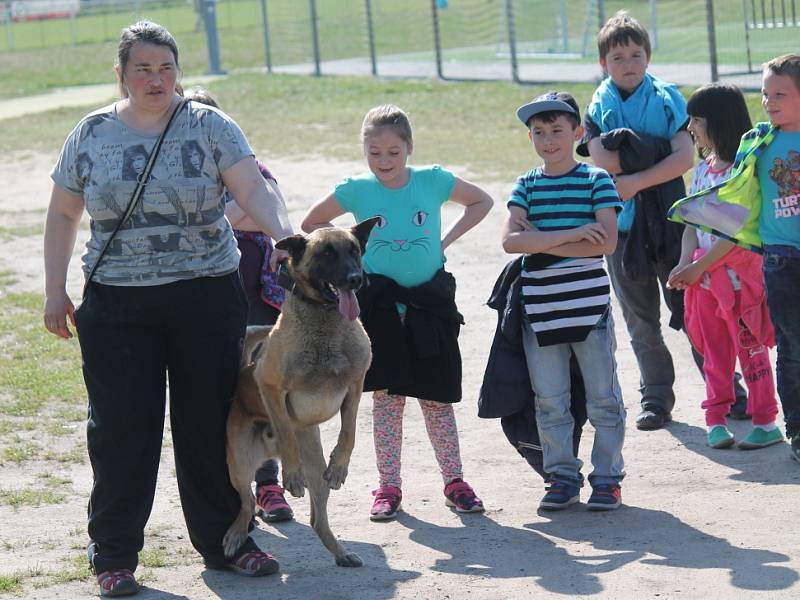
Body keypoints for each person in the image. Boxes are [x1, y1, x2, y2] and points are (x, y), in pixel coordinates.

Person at [43, 21, 294, 597]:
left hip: (204, 294)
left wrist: (283, 235)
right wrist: (55, 290)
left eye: (165, 68)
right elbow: (62, 215)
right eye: (143, 69)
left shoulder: (210, 125)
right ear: (121, 74)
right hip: (117, 303)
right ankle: (113, 554)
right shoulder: (91, 134)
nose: (156, 79)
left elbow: (254, 189)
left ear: (178, 72)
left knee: (209, 424)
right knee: (121, 432)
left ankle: (229, 539)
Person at [301, 104, 493, 521]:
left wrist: (444, 242)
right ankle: (388, 486)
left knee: (438, 399)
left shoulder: (433, 181)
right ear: (364, 151)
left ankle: (455, 481)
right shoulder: (355, 190)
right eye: (374, 152)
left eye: (393, 151)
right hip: (380, 308)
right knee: (387, 401)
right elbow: (311, 224)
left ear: (409, 147)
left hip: (430, 306)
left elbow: (482, 200)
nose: (384, 161)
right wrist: (347, 261)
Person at [580, 10, 747, 431]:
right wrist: (653, 157)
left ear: (648, 57)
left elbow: (684, 158)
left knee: (697, 311)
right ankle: (656, 397)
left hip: (673, 222)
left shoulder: (667, 97)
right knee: (640, 320)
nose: (629, 64)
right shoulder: (600, 103)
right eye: (618, 57)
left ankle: (729, 391)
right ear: (604, 64)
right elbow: (601, 157)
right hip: (624, 227)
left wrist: (635, 179)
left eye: (636, 55)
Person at [669, 54, 800, 463]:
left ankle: (768, 421)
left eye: (779, 93)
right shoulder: (734, 155)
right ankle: (745, 423)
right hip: (744, 270)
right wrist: (688, 259)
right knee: (749, 350)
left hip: (744, 277)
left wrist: (700, 264)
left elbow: (732, 222)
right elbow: (709, 213)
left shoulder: (755, 154)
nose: (769, 101)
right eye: (764, 93)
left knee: (764, 349)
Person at [503, 91, 625, 511]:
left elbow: (605, 243)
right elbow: (509, 242)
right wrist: (573, 235)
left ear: (578, 132)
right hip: (541, 311)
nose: (548, 139)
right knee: (550, 401)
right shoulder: (526, 184)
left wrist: (539, 241)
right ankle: (562, 476)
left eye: (557, 130)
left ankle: (608, 478)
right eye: (538, 132)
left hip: (589, 310)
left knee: (603, 398)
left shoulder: (596, 180)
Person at [183, 87, 293, 523]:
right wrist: (239, 209)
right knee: (220, 396)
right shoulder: (182, 178)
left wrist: (235, 210)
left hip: (259, 302)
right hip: (207, 300)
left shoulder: (251, 166)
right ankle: (233, 490)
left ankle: (270, 485)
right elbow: (224, 217)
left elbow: (270, 206)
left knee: (262, 391)